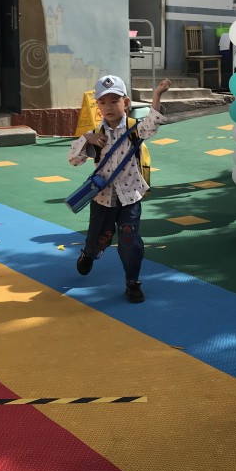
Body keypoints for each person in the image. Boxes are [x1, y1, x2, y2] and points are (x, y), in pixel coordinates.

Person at [68, 74, 171, 303]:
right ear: (98, 106)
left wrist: (156, 95)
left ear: (125, 102)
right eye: (103, 102)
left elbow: (152, 123)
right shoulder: (96, 134)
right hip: (103, 199)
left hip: (129, 198)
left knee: (129, 240)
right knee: (98, 238)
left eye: (114, 101)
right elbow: (73, 159)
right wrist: (87, 139)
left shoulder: (134, 129)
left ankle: (132, 281)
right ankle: (89, 253)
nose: (108, 107)